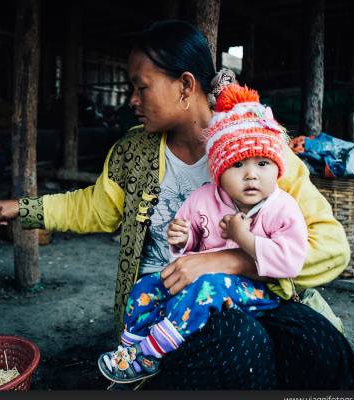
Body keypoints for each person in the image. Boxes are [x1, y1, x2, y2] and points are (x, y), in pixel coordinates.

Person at [0, 20, 354, 389]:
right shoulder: (134, 151)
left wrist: (226, 260)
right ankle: (141, 358)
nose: (132, 99)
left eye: (141, 87)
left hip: (258, 295)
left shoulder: (259, 150)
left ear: (184, 86)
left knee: (321, 344)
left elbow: (331, 249)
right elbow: (94, 207)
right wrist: (26, 209)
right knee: (238, 341)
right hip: (170, 302)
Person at [96, 83, 308, 384]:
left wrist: (244, 237)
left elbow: (291, 262)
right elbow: (190, 245)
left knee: (207, 285)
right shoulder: (204, 198)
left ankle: (150, 353)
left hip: (259, 291)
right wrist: (182, 239)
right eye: (238, 164)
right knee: (145, 287)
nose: (251, 174)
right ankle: (129, 353)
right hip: (203, 283)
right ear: (219, 171)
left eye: (263, 163)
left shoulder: (282, 208)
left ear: (277, 168)